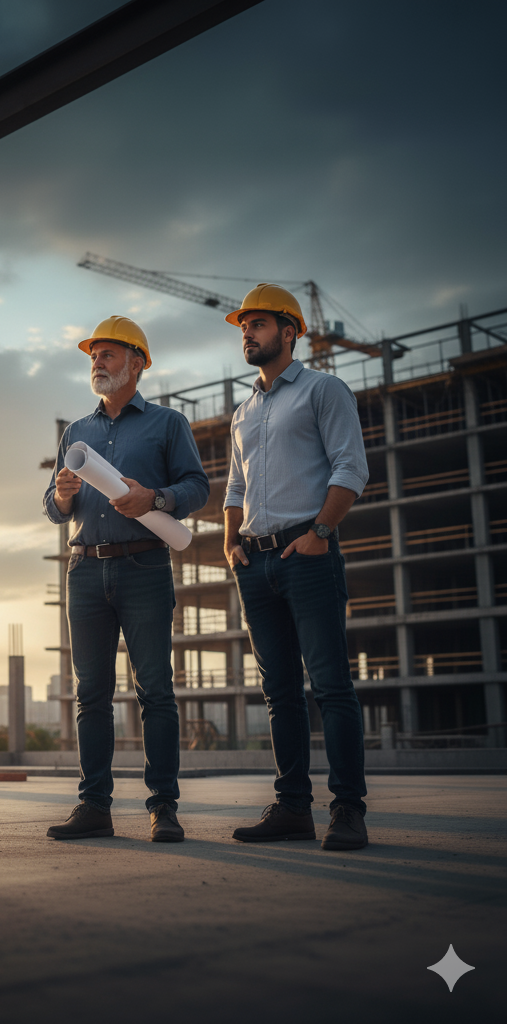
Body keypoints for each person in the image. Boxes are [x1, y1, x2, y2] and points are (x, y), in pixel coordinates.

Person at [43, 316, 209, 842]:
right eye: (93, 355)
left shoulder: (167, 424)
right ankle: (94, 807)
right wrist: (65, 495)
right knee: (90, 694)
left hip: (145, 567)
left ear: (137, 363)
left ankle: (164, 807)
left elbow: (197, 487)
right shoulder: (77, 432)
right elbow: (53, 508)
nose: (97, 362)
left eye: (108, 354)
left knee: (155, 690)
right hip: (86, 570)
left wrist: (155, 500)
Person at [223, 284, 370, 851]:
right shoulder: (244, 411)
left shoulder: (323, 389)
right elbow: (235, 484)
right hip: (254, 564)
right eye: (243, 326)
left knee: (331, 685)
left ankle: (348, 811)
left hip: (306, 556)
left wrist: (320, 533)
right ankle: (291, 809)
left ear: (290, 332)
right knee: (279, 693)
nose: (247, 333)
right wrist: (230, 543)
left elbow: (350, 467)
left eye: (258, 324)